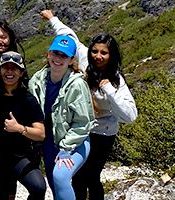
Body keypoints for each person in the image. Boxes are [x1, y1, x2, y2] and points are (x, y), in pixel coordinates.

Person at [28, 35, 95, 200]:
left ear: (71, 60)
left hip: (76, 141)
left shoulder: (77, 85)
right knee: (54, 183)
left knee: (60, 176)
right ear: (48, 54)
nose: (58, 58)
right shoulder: (37, 80)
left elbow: (83, 123)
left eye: (64, 55)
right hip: (49, 142)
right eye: (55, 53)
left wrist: (66, 148)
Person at [72, 33, 137, 200]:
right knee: (78, 177)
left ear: (111, 55)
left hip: (102, 135)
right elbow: (71, 38)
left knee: (90, 176)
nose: (98, 56)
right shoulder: (87, 64)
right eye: (94, 51)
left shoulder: (116, 80)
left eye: (104, 53)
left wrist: (109, 90)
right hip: (81, 131)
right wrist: (52, 19)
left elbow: (130, 116)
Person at [0, 51, 47, 200]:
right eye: (5, 67)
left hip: (19, 156)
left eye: (14, 68)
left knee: (38, 187)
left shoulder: (28, 99)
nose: (9, 71)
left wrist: (19, 128)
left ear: (21, 73)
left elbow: (41, 134)